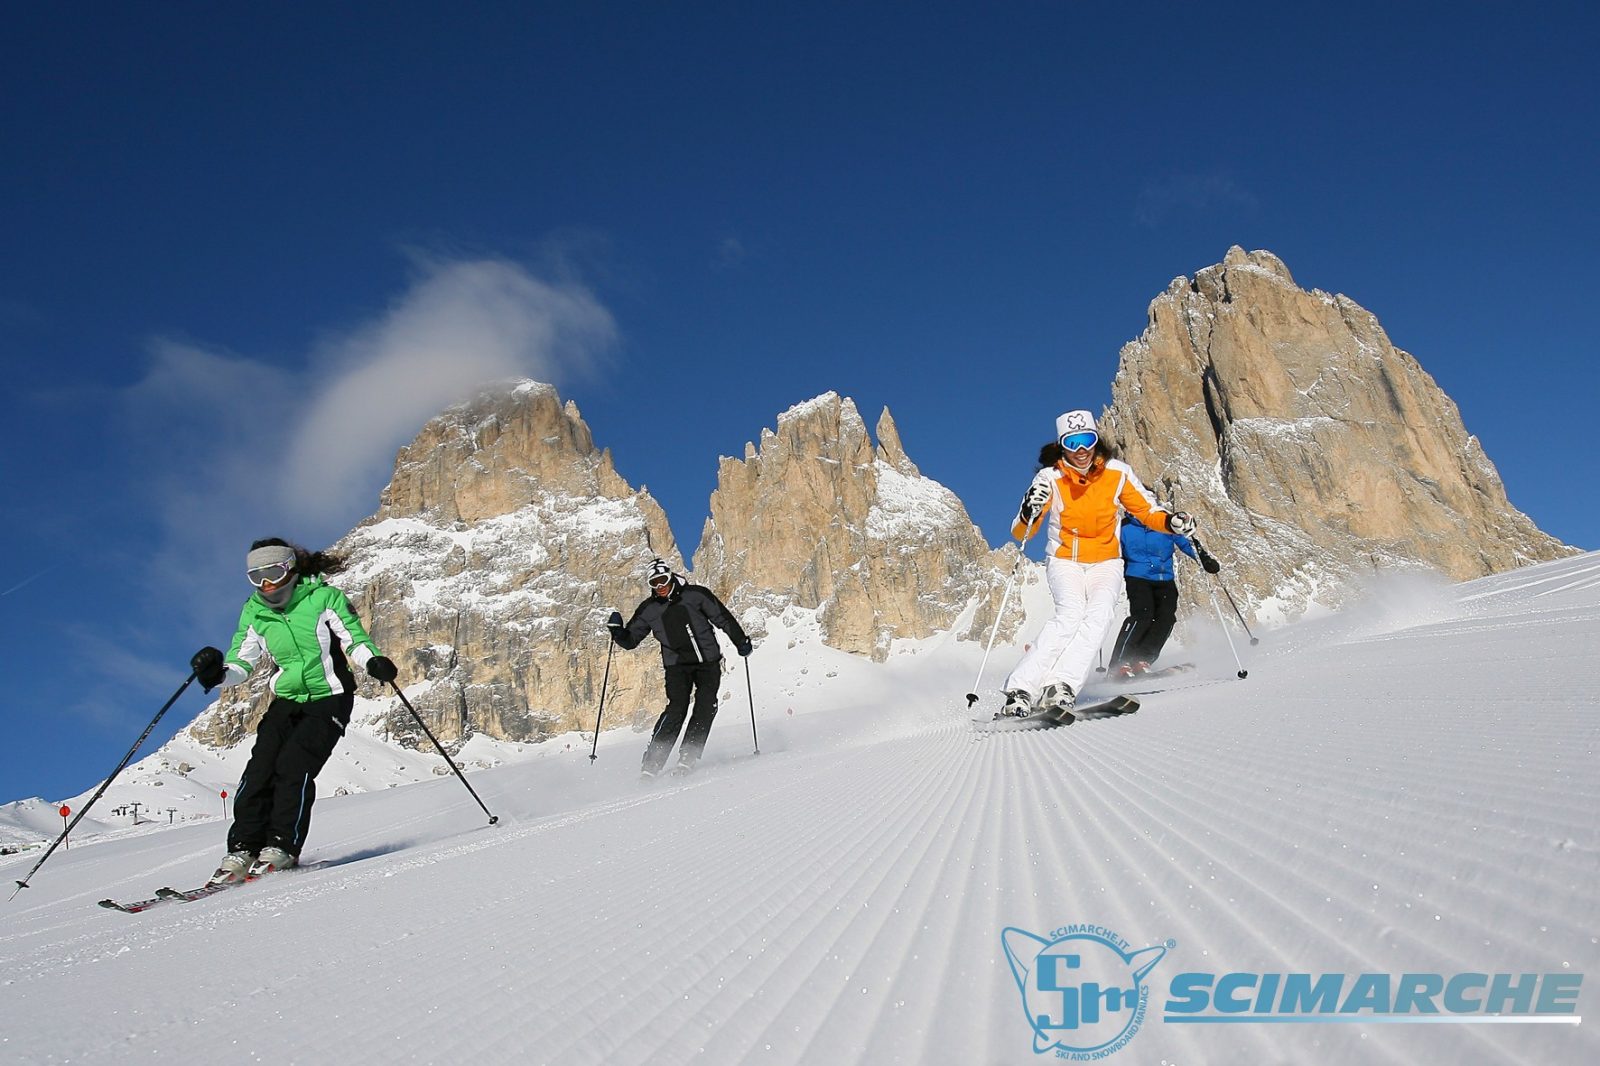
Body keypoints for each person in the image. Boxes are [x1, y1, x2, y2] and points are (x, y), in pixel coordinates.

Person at [190, 538, 396, 883]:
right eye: (256, 577)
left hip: (329, 696)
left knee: (293, 766)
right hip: (288, 699)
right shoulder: (255, 612)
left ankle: (282, 847)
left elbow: (353, 638)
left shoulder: (323, 598)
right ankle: (242, 849)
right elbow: (243, 662)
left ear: (290, 568)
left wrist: (372, 660)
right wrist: (217, 674)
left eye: (272, 572)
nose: (266, 584)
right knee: (259, 770)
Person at [1000, 410, 1195, 718]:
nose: (1080, 450)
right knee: (1070, 614)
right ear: (1062, 446)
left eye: (1086, 440)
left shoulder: (1117, 473)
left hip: (1106, 561)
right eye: (1072, 442)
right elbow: (1022, 532)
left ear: (1096, 442)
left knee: (1100, 617)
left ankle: (1061, 685)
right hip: (1066, 560)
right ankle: (1020, 689)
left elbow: (1146, 511)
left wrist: (1171, 522)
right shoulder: (1050, 477)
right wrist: (1028, 511)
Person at [607, 559, 752, 778]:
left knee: (705, 705)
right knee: (677, 709)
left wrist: (741, 641)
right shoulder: (650, 609)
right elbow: (631, 640)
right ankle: (652, 764)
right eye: (654, 583)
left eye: (663, 580)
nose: (660, 586)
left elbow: (722, 618)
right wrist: (617, 632)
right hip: (676, 667)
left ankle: (689, 755)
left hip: (707, 663)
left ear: (671, 577)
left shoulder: (696, 595)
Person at [1109, 512, 1221, 677]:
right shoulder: (1123, 527)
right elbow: (1111, 549)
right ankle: (1119, 663)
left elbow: (1186, 543)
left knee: (1166, 618)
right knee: (1143, 615)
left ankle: (1142, 659)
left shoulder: (1165, 524)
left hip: (1164, 578)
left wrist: (1204, 559)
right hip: (1137, 577)